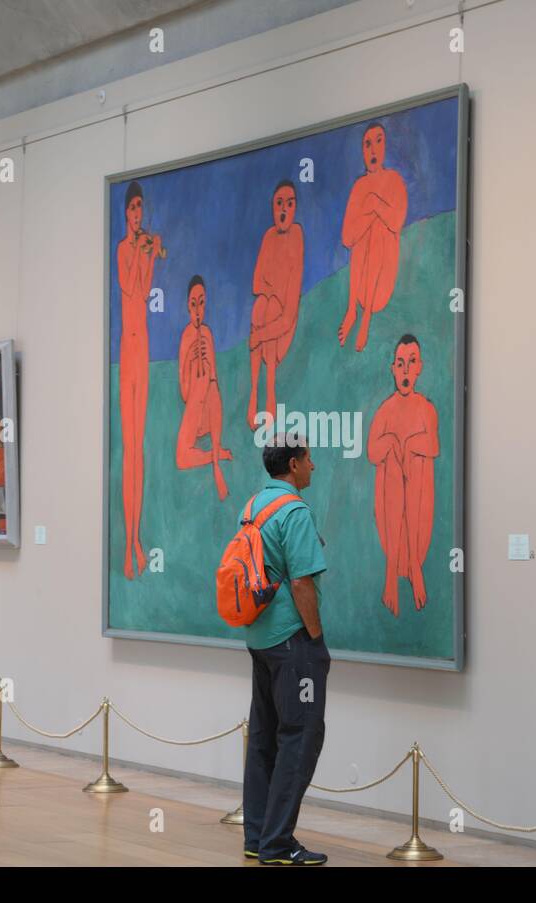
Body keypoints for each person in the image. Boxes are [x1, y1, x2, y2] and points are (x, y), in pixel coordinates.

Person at [241, 434, 330, 865]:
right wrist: (315, 640)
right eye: (309, 459)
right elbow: (301, 582)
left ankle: (257, 837)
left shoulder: (253, 507)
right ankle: (278, 844)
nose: (313, 466)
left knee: (263, 738)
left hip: (260, 639)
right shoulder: (294, 511)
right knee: (301, 737)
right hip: (294, 645)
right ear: (293, 465)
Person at [368, 334, 439, 615]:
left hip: (418, 502)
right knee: (392, 466)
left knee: (415, 458)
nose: (405, 370)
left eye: (411, 363)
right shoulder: (385, 411)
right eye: (400, 363)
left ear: (419, 367)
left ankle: (414, 567)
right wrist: (391, 445)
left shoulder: (426, 408)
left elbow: (433, 444)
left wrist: (409, 445)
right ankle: (391, 577)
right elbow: (373, 451)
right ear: (393, 369)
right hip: (392, 502)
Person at [117, 181, 164, 579]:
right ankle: (128, 540)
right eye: (132, 208)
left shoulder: (141, 246)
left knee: (140, 451)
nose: (137, 214)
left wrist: (151, 254)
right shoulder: (121, 249)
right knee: (129, 447)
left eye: (140, 208)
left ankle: (135, 537)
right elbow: (129, 285)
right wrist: (141, 249)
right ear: (125, 214)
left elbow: (145, 288)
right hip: (127, 354)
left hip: (143, 349)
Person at [338, 122, 408, 352]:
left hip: (382, 283)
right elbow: (347, 238)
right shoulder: (359, 186)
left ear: (385, 145)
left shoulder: (395, 180)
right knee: (365, 232)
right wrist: (368, 214)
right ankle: (351, 310)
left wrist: (375, 205)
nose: (373, 150)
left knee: (377, 229)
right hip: (360, 288)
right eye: (367, 144)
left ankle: (365, 317)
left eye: (378, 141)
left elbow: (396, 222)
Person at [248, 180, 304, 429]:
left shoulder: (297, 236)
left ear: (294, 208)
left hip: (281, 330)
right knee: (262, 304)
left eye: (289, 204)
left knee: (269, 307)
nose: (283, 210)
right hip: (265, 319)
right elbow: (256, 283)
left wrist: (259, 335)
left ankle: (269, 390)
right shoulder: (269, 237)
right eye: (279, 203)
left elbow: (288, 316)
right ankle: (253, 395)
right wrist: (271, 293)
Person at [176, 275, 232, 499]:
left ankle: (217, 466)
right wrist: (191, 359)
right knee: (181, 458)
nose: (198, 309)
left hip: (210, 404)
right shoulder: (185, 337)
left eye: (202, 302)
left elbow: (215, 377)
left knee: (213, 386)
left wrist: (208, 370)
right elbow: (183, 390)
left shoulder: (208, 333)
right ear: (188, 306)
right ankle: (215, 455)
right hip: (194, 404)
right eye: (193, 303)